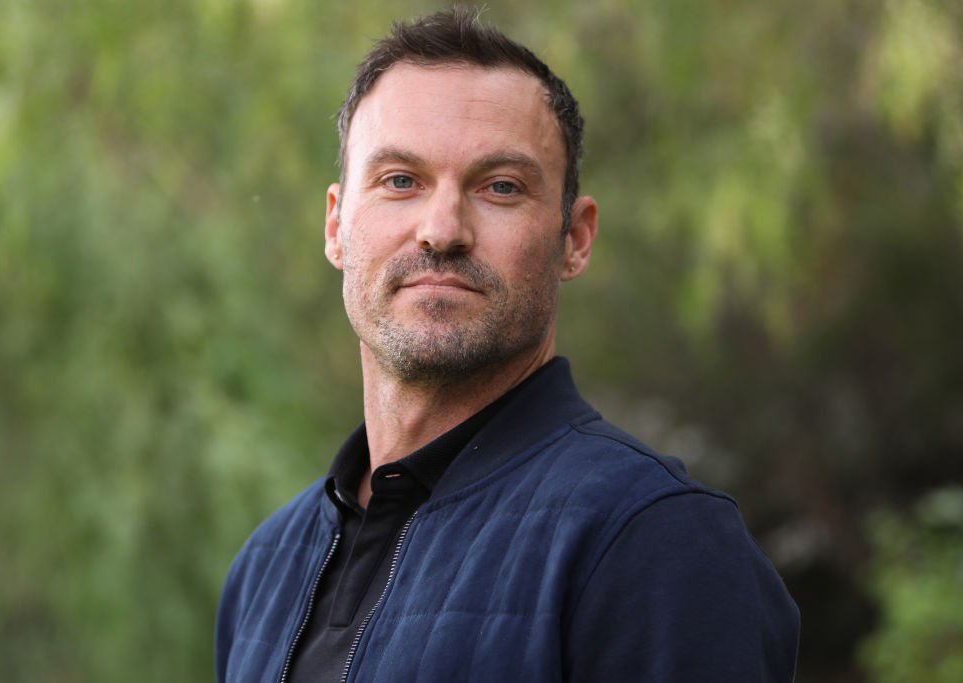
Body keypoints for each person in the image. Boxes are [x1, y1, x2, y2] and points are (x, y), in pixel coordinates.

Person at [215, 7, 799, 682]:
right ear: (337, 224)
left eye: (500, 187)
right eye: (400, 180)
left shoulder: (653, 542)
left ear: (574, 238)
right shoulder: (265, 571)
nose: (441, 230)